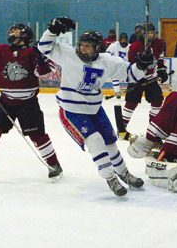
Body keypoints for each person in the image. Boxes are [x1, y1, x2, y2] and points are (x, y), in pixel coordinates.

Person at [38, 17, 154, 196]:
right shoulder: (68, 53)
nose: (82, 48)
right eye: (82, 44)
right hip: (72, 112)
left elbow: (131, 74)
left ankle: (124, 173)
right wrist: (52, 30)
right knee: (95, 141)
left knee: (111, 144)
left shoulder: (107, 60)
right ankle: (111, 178)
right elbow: (44, 46)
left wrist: (141, 65)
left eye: (88, 46)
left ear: (97, 48)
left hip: (95, 110)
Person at [0, 23, 63, 183]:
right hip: (5, 101)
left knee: (38, 135)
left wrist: (42, 62)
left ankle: (54, 164)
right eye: (12, 29)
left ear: (25, 35)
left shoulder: (32, 53)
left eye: (17, 29)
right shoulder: (1, 50)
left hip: (28, 103)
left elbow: (42, 72)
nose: (12, 30)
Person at [122, 22, 168, 130]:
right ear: (142, 33)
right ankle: (122, 126)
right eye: (147, 33)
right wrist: (139, 72)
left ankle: (153, 127)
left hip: (151, 79)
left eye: (152, 32)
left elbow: (160, 59)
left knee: (157, 101)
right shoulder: (134, 46)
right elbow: (131, 64)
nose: (150, 35)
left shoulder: (159, 43)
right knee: (131, 103)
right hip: (136, 79)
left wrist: (162, 70)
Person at [106, 32, 130, 99]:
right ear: (119, 40)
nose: (124, 41)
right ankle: (117, 92)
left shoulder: (130, 46)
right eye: (122, 39)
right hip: (117, 66)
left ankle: (129, 92)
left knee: (131, 79)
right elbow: (107, 53)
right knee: (115, 77)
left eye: (125, 39)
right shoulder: (114, 45)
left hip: (126, 66)